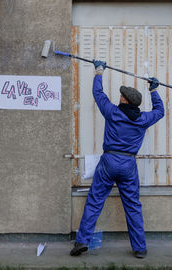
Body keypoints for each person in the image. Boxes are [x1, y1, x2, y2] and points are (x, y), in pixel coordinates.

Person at [70, 60, 165, 258]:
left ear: (125, 101)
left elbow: (98, 94)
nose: (119, 95)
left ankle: (81, 242)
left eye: (122, 95)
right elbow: (160, 112)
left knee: (95, 201)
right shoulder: (142, 119)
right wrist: (154, 90)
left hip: (109, 162)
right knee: (132, 205)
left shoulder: (113, 113)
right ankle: (139, 248)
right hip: (128, 164)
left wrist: (98, 71)